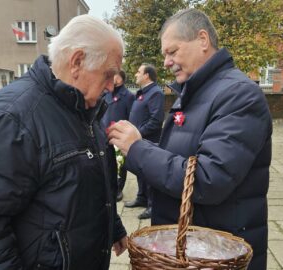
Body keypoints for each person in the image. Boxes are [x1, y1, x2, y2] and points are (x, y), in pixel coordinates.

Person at [0, 15, 127, 270]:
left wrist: (113, 227)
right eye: (108, 74)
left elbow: (91, 182)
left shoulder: (84, 109)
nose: (112, 85)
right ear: (76, 62)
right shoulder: (9, 119)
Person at [108, 8, 272, 270]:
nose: (166, 63)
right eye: (164, 55)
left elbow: (209, 179)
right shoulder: (197, 91)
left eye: (172, 52)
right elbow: (182, 157)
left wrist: (138, 150)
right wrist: (141, 144)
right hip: (193, 250)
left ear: (203, 40)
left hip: (214, 252)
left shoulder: (239, 95)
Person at [124, 63, 165, 220]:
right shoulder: (142, 93)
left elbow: (156, 120)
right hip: (138, 140)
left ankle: (152, 205)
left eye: (139, 72)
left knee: (149, 172)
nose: (136, 74)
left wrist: (137, 134)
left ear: (147, 75)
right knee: (139, 171)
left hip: (148, 140)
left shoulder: (155, 93)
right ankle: (141, 197)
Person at [101, 70, 135, 202]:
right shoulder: (106, 94)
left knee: (120, 164)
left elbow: (131, 117)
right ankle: (110, 188)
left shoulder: (128, 96)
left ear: (120, 78)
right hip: (105, 134)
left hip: (120, 135)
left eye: (114, 75)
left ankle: (119, 189)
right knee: (109, 163)